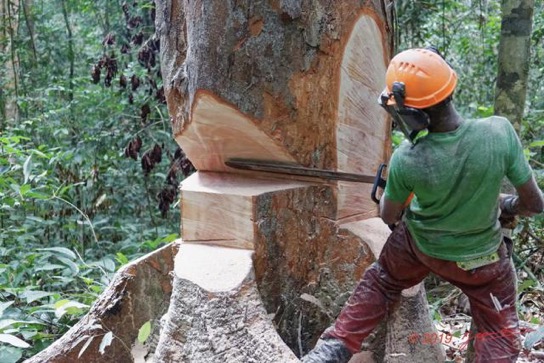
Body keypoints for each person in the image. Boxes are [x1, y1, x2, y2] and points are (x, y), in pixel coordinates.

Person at [301, 47, 544, 363]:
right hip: (482, 261)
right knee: (498, 335)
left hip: (420, 249)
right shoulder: (498, 132)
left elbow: (388, 214)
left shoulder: (408, 158)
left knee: (383, 280)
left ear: (413, 114)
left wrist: (406, 194)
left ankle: (335, 347)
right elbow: (534, 203)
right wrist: (507, 205)